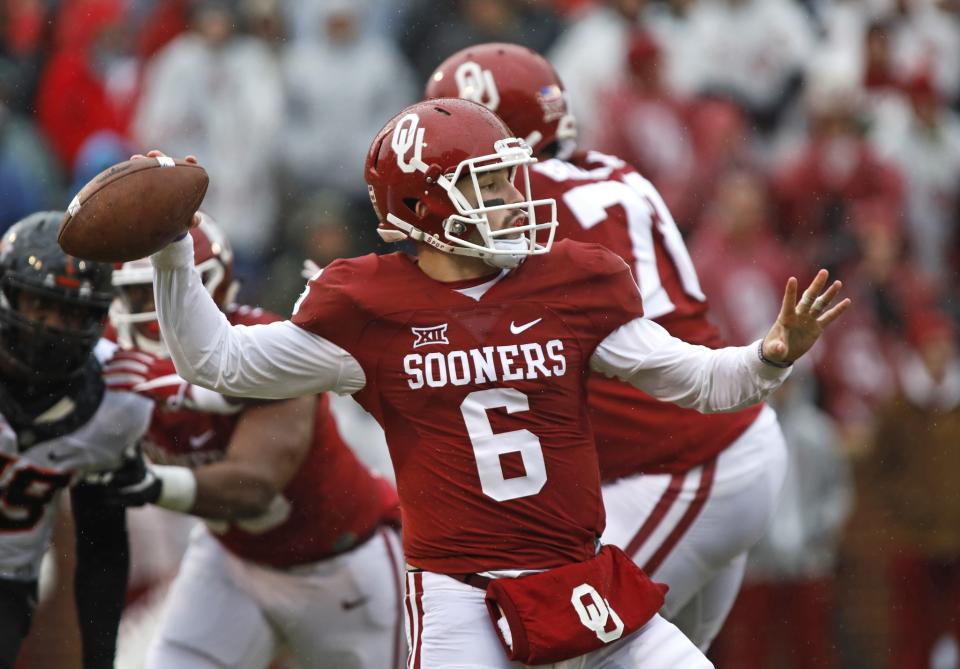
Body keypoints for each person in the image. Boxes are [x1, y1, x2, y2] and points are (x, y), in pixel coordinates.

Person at [140, 95, 847, 668]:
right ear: (423, 205)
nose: (515, 195)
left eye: (510, 176)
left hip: (584, 580)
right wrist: (173, 252)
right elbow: (219, 363)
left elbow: (698, 383)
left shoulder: (571, 282)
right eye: (490, 182)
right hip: (464, 601)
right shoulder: (368, 308)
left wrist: (770, 355)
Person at [425, 42, 788, 650]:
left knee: (562, 646)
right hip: (704, 447)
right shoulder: (612, 173)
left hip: (681, 466)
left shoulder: (522, 208)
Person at [100, 215, 405, 669]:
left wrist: (149, 482)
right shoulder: (113, 354)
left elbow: (253, 487)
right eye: (139, 292)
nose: (154, 307)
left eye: (167, 284)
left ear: (219, 286)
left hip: (339, 562)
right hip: (232, 560)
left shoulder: (265, 346)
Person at [0, 211, 153, 668]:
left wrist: (98, 660)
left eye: (70, 313)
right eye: (39, 305)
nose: (49, 327)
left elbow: (101, 550)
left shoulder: (116, 401)